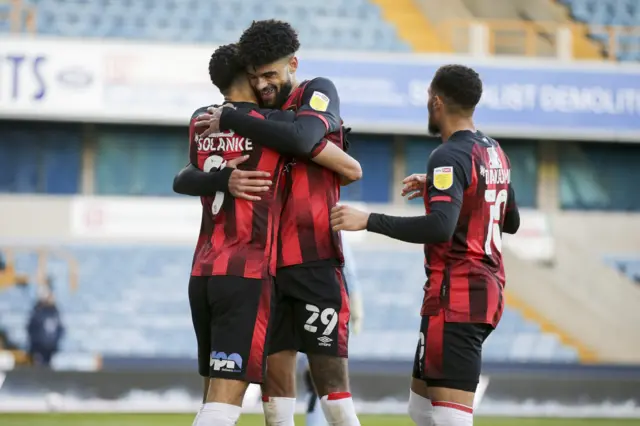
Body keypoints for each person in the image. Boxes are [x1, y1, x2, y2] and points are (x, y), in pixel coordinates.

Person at [176, 43, 361, 426]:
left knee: (234, 388)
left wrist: (227, 141)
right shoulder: (266, 123)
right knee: (242, 391)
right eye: (256, 76)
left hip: (269, 262)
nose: (263, 83)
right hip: (256, 269)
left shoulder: (208, 118)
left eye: (269, 75)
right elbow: (343, 165)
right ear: (245, 75)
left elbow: (182, 177)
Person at [330, 64, 521, 426]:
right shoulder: (494, 152)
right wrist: (444, 189)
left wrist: (368, 220)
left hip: (459, 296)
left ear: (436, 101)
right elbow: (511, 221)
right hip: (473, 292)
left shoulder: (448, 155)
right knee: (420, 411)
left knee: (449, 419)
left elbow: (439, 227)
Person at [304, 236, 364, 426]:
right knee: (325, 377)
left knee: (323, 377)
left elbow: (348, 268)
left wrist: (355, 303)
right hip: (320, 295)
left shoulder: (331, 218)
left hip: (321, 296)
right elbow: (349, 269)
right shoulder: (329, 218)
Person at [27, 286, 64, 367]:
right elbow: (32, 328)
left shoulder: (55, 312)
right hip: (39, 346)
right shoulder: (38, 312)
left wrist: (55, 341)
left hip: (51, 346)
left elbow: (60, 329)